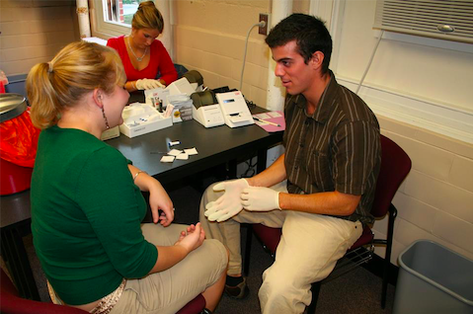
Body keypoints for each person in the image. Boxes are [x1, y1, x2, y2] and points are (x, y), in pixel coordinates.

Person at [27, 41, 227, 314]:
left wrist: (150, 181)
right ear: (98, 97)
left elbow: (114, 167)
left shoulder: (54, 134)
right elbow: (136, 263)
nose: (126, 96)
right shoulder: (97, 161)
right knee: (216, 252)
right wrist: (183, 249)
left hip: (72, 279)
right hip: (104, 298)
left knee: (185, 240)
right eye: (122, 87)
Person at [199, 13, 381, 314]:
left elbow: (346, 203)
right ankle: (232, 274)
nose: (278, 72)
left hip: (334, 216)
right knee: (214, 197)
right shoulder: (296, 97)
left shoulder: (352, 122)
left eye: (286, 62)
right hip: (296, 193)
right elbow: (293, 156)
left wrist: (278, 200)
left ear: (316, 59)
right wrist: (249, 184)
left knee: (278, 288)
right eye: (276, 62)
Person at [107, 1, 177, 92]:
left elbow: (171, 74)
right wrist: (136, 84)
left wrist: (157, 83)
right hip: (122, 101)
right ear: (134, 28)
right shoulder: (114, 46)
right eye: (146, 36)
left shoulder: (157, 46)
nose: (149, 42)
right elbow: (109, 84)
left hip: (148, 101)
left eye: (154, 37)